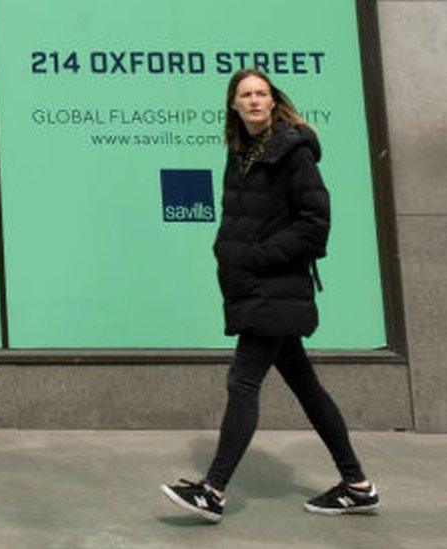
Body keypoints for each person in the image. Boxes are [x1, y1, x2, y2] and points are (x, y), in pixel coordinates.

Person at [160, 70, 379, 523]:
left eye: (262, 93)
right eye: (246, 95)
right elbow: (240, 217)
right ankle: (357, 484)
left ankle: (214, 490)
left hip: (275, 287)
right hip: (255, 287)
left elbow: (315, 226)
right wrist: (228, 252)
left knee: (242, 382)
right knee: (305, 385)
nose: (255, 101)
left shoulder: (291, 154)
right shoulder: (241, 153)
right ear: (234, 106)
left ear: (273, 101)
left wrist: (257, 257)